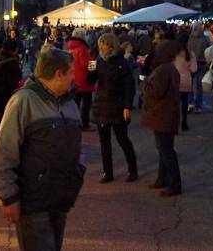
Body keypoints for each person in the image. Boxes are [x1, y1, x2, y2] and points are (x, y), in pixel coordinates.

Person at [0, 48, 85, 251]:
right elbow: (3, 154)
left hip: (61, 198)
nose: (74, 78)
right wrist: (9, 197)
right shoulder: (23, 101)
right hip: (32, 201)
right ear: (58, 74)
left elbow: (76, 147)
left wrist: (77, 174)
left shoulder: (70, 104)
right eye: (71, 73)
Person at [88, 33, 138, 183]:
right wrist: (90, 71)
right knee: (104, 142)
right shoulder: (99, 61)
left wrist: (127, 106)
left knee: (123, 140)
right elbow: (91, 82)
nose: (101, 47)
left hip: (117, 105)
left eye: (103, 44)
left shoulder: (121, 62)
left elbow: (130, 86)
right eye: (100, 45)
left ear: (111, 46)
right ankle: (107, 172)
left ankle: (132, 170)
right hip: (102, 105)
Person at [140, 40, 182, 197]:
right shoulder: (170, 69)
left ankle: (174, 183)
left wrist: (143, 83)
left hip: (162, 115)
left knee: (166, 150)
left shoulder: (163, 70)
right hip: (166, 114)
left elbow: (155, 92)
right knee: (164, 149)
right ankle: (162, 178)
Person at [0, 40, 23, 135]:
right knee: (8, 115)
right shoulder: (13, 61)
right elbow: (17, 77)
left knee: (0, 117)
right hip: (9, 91)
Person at [68, 28, 95, 131]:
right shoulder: (82, 48)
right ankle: (84, 124)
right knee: (86, 103)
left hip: (74, 78)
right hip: (84, 79)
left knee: (75, 103)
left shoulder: (71, 46)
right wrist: (93, 60)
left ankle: (73, 123)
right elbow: (86, 64)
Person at [187, 23, 211, 113]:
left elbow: (187, 49)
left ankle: (190, 102)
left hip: (191, 62)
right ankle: (199, 105)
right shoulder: (205, 38)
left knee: (190, 83)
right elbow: (209, 49)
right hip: (201, 62)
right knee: (199, 84)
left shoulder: (189, 38)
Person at [174, 40, 197, 132]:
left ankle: (175, 124)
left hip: (175, 79)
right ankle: (184, 122)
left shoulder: (174, 54)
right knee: (184, 102)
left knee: (175, 104)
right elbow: (194, 69)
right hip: (186, 79)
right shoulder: (190, 54)